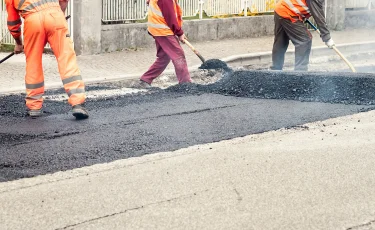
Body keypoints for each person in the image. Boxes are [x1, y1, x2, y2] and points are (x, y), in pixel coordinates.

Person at [5, 0, 89, 119]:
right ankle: (78, 103)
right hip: (55, 16)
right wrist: (60, 16)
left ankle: (34, 107)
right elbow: (64, 1)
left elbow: (13, 22)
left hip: (32, 21)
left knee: (33, 64)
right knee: (66, 58)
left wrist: (18, 43)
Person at [134, 0, 192, 88]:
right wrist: (179, 33)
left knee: (164, 57)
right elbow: (170, 17)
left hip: (158, 30)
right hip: (163, 31)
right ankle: (186, 84)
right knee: (178, 55)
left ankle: (145, 80)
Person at [271, 0, 335, 71]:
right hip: (289, 12)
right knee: (305, 40)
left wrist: (303, 16)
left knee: (281, 42)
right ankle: (300, 73)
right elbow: (318, 15)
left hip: (280, 9)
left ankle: (275, 71)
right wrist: (327, 37)